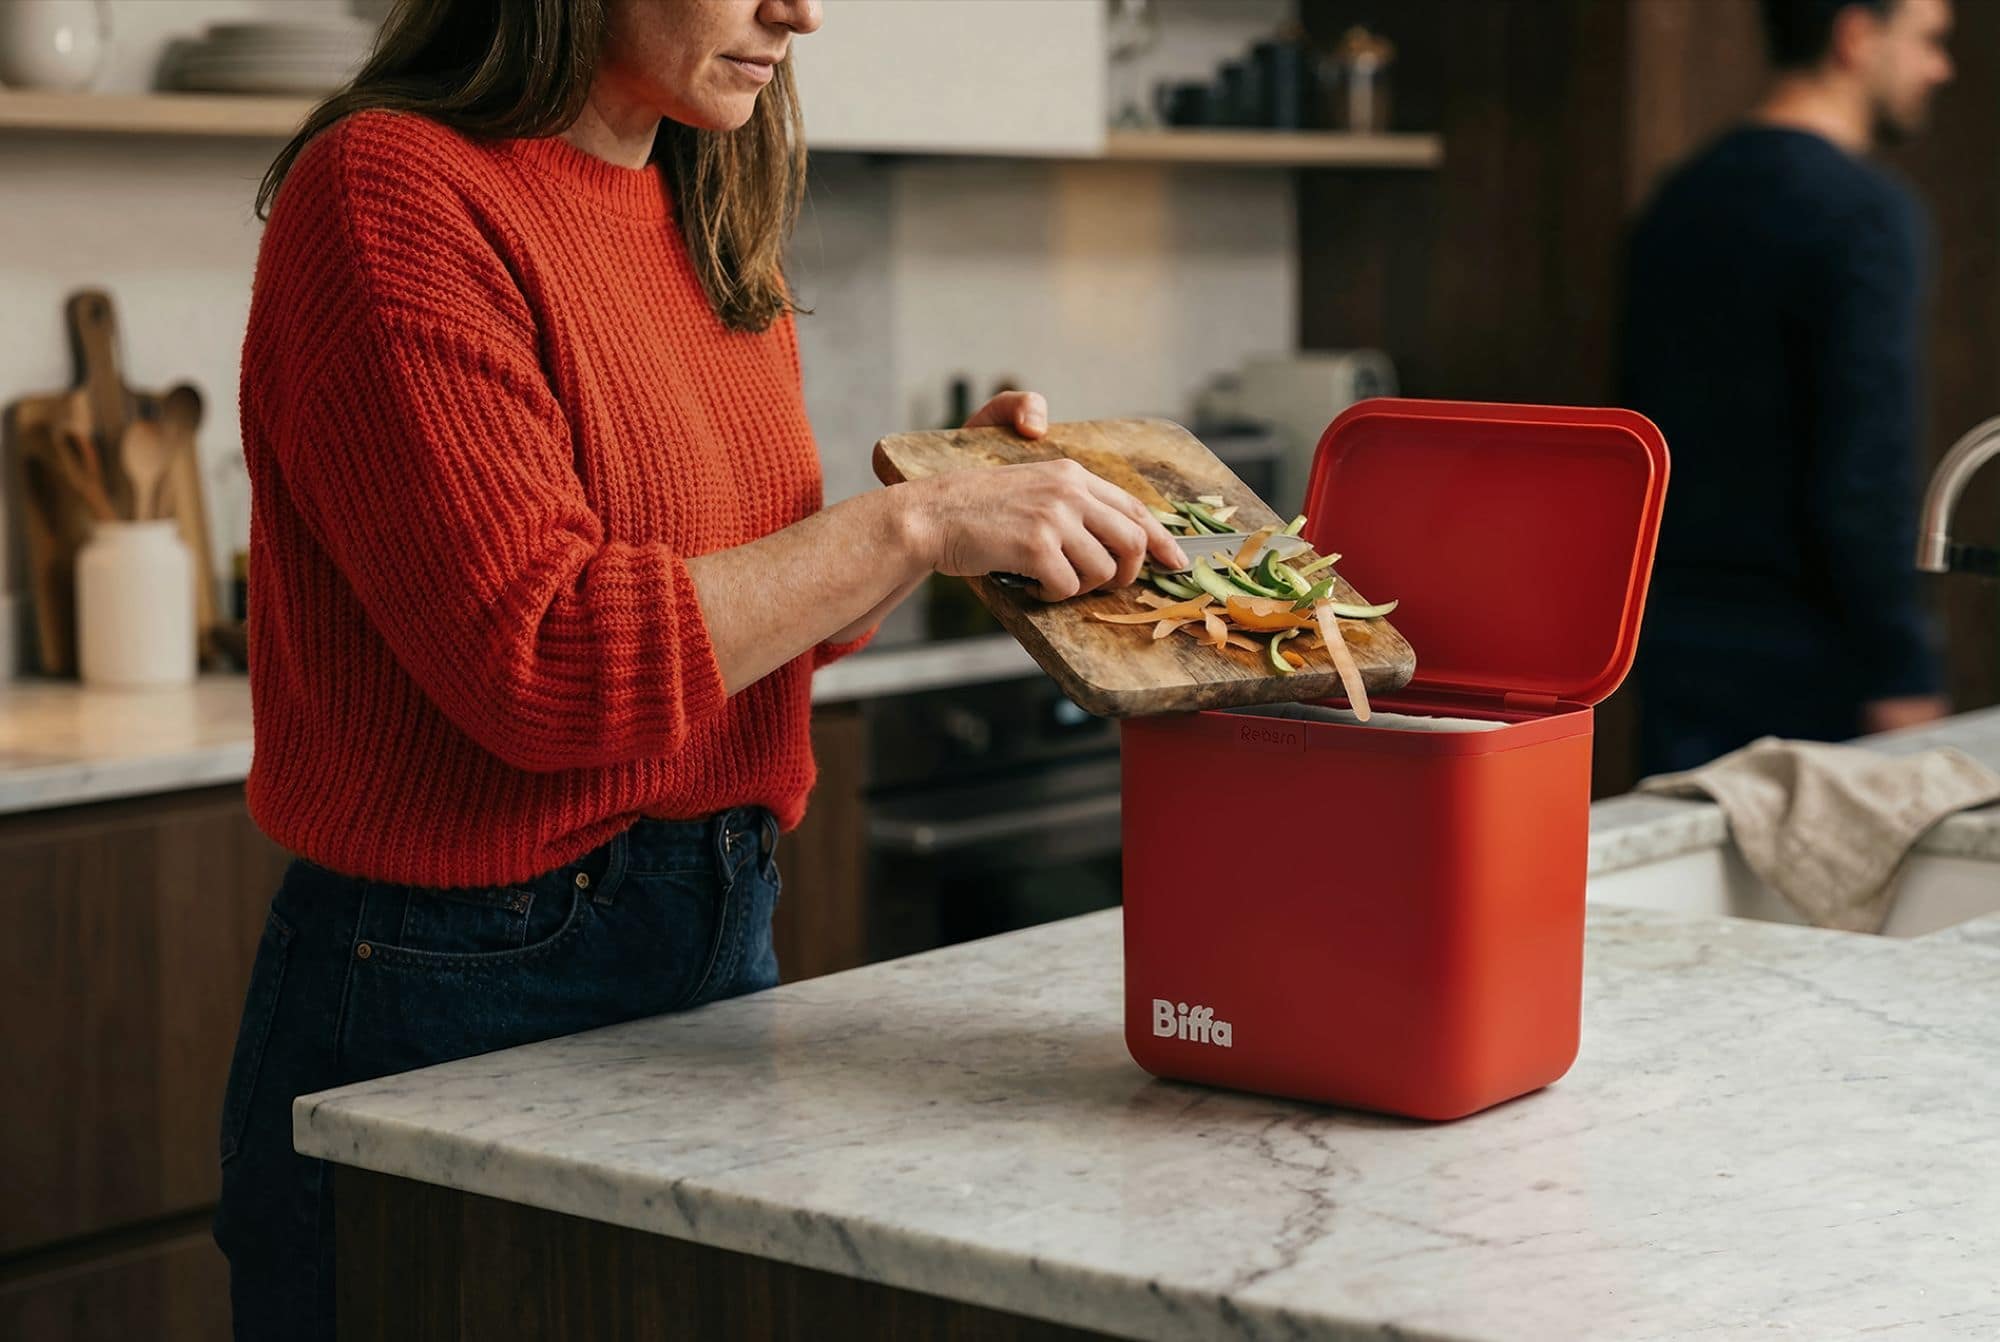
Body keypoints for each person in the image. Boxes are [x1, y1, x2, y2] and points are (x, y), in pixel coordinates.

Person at [211, 1, 1189, 1335]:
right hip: (457, 981)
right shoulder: (393, 192)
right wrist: (911, 525)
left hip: (717, 934)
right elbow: (549, 660)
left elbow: (731, 625)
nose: (802, 9)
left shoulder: (694, 192)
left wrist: (958, 501)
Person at [1620, 0, 1955, 776]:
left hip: (1673, 639)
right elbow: (1866, 466)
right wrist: (1900, 668)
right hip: (1815, 658)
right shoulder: (1864, 215)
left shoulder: (1681, 198)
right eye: (1929, 41)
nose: (1942, 68)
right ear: (1855, 37)